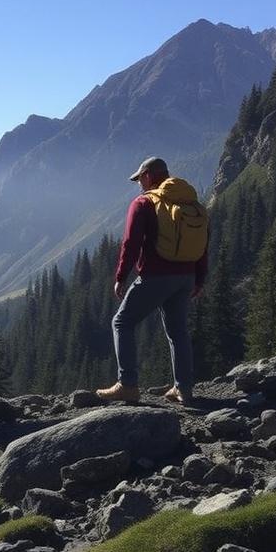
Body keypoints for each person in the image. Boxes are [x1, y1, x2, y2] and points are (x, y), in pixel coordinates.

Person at [96, 156, 207, 405]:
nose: (138, 184)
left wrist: (121, 277)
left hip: (156, 276)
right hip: (186, 277)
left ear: (147, 176)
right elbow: (202, 243)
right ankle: (184, 389)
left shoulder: (144, 203)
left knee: (122, 322)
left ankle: (127, 385)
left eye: (139, 179)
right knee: (178, 331)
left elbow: (131, 243)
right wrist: (199, 278)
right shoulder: (190, 202)